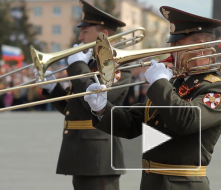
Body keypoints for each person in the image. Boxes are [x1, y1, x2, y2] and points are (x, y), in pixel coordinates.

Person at [84, 6, 221, 190]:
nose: (171, 52)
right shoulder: (174, 84)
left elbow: (186, 121)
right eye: (171, 45)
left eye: (177, 46)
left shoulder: (214, 86)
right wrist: (101, 108)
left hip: (184, 184)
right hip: (152, 182)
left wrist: (159, 83)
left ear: (201, 48)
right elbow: (134, 122)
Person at [35, 0, 132, 189]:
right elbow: (74, 109)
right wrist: (52, 88)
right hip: (80, 152)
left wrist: (77, 67)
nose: (80, 37)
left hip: (99, 156)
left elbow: (98, 105)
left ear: (103, 34)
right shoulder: (88, 64)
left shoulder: (119, 65)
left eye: (85, 31)